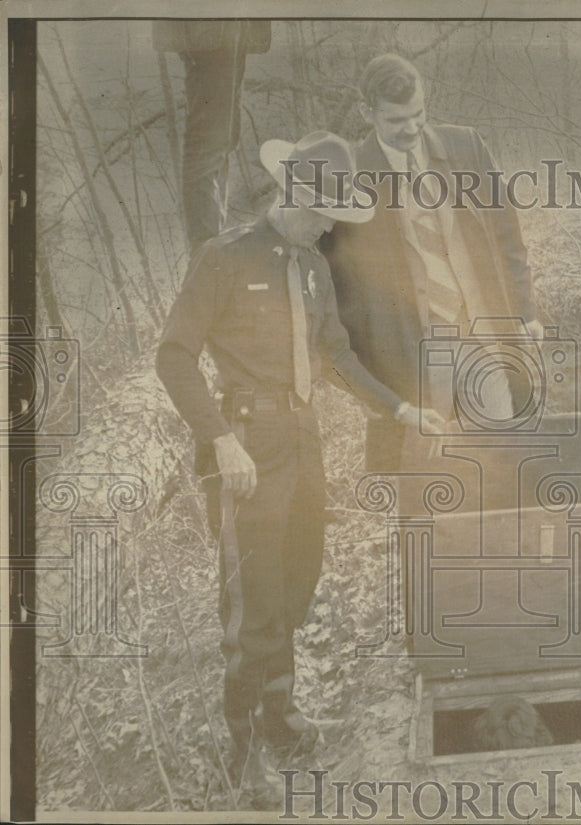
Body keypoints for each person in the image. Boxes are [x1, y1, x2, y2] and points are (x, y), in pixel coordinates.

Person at [156, 130, 444, 801]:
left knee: (297, 579)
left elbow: (337, 354)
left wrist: (399, 409)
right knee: (250, 600)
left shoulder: (314, 267)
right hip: (246, 447)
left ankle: (279, 711)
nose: (326, 227)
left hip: (302, 442)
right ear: (292, 196)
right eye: (320, 213)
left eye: (335, 217)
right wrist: (221, 439)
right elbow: (174, 356)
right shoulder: (224, 257)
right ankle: (245, 740)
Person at [319, 53, 544, 471]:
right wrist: (367, 378)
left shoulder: (466, 148)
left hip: (484, 335)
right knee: (430, 475)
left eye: (417, 114)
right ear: (368, 112)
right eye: (395, 120)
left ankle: (495, 534)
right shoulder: (350, 176)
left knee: (500, 462)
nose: (410, 128)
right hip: (412, 352)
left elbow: (508, 236)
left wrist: (526, 312)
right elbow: (337, 287)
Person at [153, 21, 271, 249]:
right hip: (209, 25)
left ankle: (210, 249)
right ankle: (205, 252)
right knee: (209, 143)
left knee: (224, 138)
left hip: (229, 25)